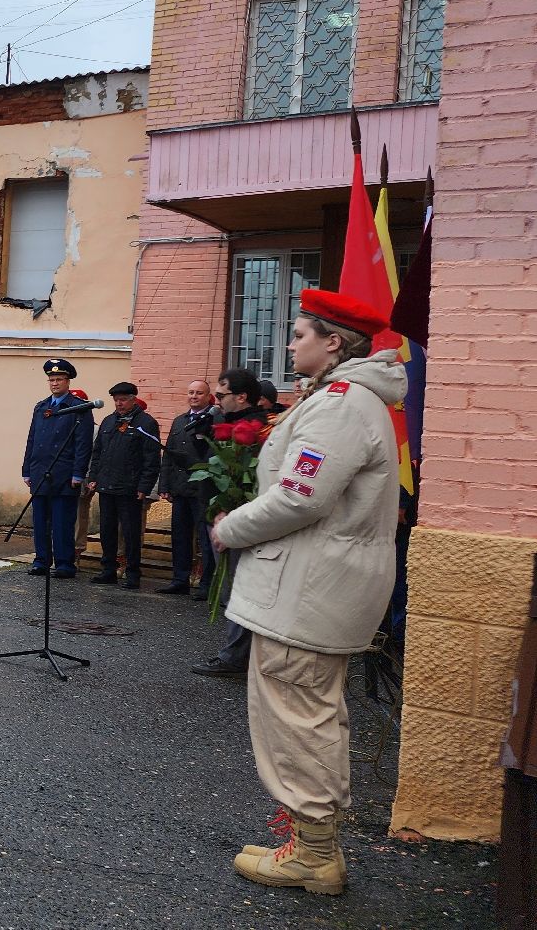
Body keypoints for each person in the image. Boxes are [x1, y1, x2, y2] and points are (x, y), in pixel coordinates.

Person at [211, 289, 403, 896]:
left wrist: (228, 528)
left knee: (297, 714)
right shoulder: (341, 399)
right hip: (316, 583)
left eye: (299, 335)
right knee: (307, 708)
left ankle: (315, 854)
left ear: (334, 342)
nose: (290, 344)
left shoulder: (343, 405)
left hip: (310, 588)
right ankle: (309, 838)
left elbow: (301, 495)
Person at [193, 367, 268, 679]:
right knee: (229, 589)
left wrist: (228, 513)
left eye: (221, 395)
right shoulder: (222, 422)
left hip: (238, 519)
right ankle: (237, 653)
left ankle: (236, 657)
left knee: (238, 590)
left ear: (242, 396)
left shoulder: (257, 429)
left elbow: (249, 479)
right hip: (219, 515)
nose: (216, 401)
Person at [22, 358, 93, 579]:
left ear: (68, 381)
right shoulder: (41, 407)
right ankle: (41, 560)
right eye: (51, 379)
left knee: (62, 521)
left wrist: (78, 473)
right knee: (41, 521)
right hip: (41, 471)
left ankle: (64, 563)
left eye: (59, 379)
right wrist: (27, 469)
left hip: (64, 473)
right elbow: (32, 439)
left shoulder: (78, 408)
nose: (54, 383)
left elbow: (83, 444)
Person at [86, 382, 161, 589]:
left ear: (133, 399)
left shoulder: (145, 423)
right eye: (116, 400)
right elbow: (97, 453)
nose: (119, 404)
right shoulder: (109, 421)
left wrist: (144, 487)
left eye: (123, 400)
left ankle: (132, 573)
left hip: (130, 488)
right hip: (106, 486)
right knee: (107, 531)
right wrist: (94, 477)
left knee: (130, 534)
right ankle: (108, 570)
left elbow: (151, 459)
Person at [158, 379, 221, 598]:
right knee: (180, 537)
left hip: (203, 490)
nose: (194, 396)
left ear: (207, 396)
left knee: (205, 539)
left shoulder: (213, 420)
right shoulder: (179, 421)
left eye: (199, 393)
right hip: (180, 489)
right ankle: (180, 579)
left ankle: (206, 583)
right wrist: (164, 485)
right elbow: (169, 455)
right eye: (191, 392)